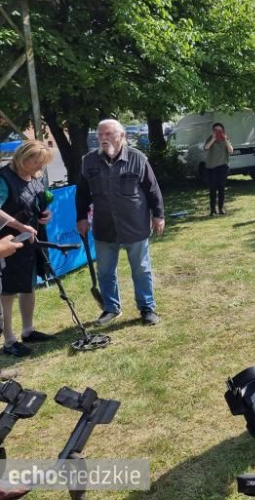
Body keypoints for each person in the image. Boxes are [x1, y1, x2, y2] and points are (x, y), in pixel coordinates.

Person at [76, 119, 165, 326]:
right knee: (105, 271)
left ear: (122, 136)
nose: (103, 138)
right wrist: (81, 217)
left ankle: (147, 308)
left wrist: (158, 215)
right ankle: (111, 307)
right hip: (104, 226)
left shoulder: (137, 158)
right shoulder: (89, 161)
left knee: (141, 269)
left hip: (135, 224)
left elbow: (152, 189)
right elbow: (82, 193)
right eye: (100, 135)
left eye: (108, 134)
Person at [0, 141, 54, 357]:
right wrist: (19, 226)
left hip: (32, 241)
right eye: (36, 162)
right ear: (23, 157)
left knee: (28, 285)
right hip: (8, 242)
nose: (38, 167)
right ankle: (9, 340)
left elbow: (38, 203)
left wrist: (45, 215)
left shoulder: (35, 177)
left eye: (42, 163)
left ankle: (28, 331)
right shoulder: (4, 178)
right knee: (7, 291)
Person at [203, 122, 233, 216]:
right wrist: (213, 139)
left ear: (223, 130)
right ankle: (213, 210)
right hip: (211, 167)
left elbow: (231, 151)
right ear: (213, 131)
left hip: (223, 166)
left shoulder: (226, 139)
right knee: (212, 189)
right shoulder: (210, 138)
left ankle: (221, 208)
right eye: (216, 130)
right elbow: (206, 147)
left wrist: (226, 140)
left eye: (220, 130)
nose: (218, 131)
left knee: (221, 188)